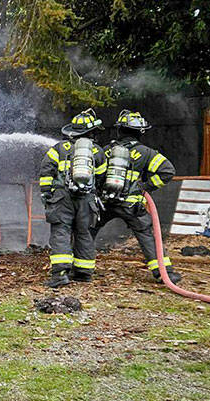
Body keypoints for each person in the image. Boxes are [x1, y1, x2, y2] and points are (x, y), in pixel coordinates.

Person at [94, 109, 182, 283]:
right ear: (140, 132)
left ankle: (78, 269)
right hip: (132, 205)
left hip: (105, 203)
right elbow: (167, 171)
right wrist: (145, 186)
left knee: (86, 231)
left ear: (119, 130)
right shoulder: (146, 153)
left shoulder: (107, 150)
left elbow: (94, 174)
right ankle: (163, 273)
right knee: (147, 236)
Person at [39, 109, 107, 288]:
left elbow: (46, 172)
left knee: (61, 231)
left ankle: (60, 274)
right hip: (87, 199)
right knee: (84, 232)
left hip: (62, 198)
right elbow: (101, 178)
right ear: (90, 132)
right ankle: (84, 272)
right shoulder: (98, 152)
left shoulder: (59, 148)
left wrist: (47, 194)